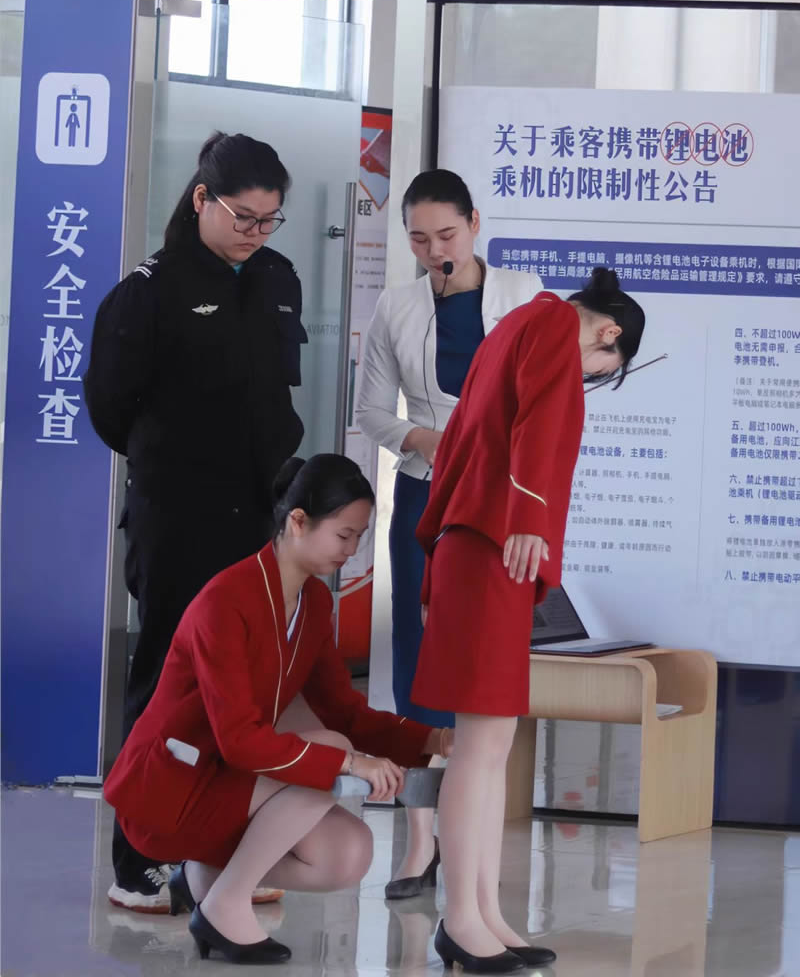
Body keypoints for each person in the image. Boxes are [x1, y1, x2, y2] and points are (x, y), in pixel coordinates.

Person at [104, 454, 454, 965]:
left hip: (229, 783)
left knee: (348, 854)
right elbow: (239, 740)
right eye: (343, 534)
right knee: (331, 751)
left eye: (360, 537)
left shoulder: (314, 604)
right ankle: (224, 905)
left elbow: (344, 711)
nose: (352, 550)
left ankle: (205, 877)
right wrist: (349, 761)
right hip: (173, 790)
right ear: (297, 521)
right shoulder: (226, 601)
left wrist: (432, 738)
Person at [85, 131, 306, 912]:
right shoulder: (149, 291)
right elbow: (110, 410)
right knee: (167, 686)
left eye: (270, 219)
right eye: (243, 217)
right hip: (178, 515)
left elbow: (279, 394)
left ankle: (221, 855)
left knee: (242, 693)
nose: (256, 233)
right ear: (202, 198)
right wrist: (178, 459)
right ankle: (138, 860)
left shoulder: (277, 278)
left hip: (259, 517)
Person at [412, 268, 646, 973]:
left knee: (490, 748)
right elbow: (538, 422)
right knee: (481, 749)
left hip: (480, 542)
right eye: (605, 368)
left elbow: (468, 436)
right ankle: (462, 920)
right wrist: (529, 517)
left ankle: (482, 913)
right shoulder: (548, 325)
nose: (592, 377)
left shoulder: (517, 323)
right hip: (494, 542)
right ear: (609, 332)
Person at [356, 169, 542, 899]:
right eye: (419, 239)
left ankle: (471, 833)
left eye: (447, 235)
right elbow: (373, 412)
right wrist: (431, 441)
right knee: (419, 656)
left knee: (482, 659)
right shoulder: (396, 305)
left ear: (474, 224)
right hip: (425, 494)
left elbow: (542, 405)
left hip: (495, 506)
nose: (436, 251)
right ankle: (420, 840)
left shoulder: (523, 294)